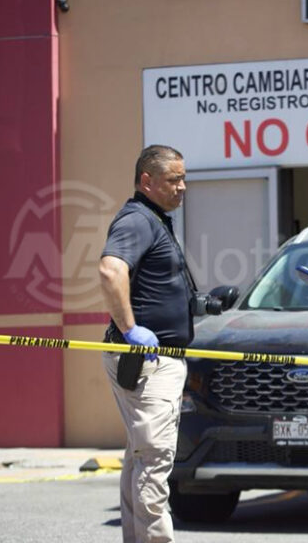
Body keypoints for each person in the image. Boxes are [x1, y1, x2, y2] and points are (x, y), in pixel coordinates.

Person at [98, 144, 192, 543]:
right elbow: (110, 270)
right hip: (150, 362)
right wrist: (130, 327)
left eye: (184, 178)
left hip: (155, 359)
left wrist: (199, 304)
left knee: (141, 457)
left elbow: (150, 285)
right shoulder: (138, 219)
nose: (182, 187)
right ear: (147, 181)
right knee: (154, 459)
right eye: (174, 180)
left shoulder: (155, 219)